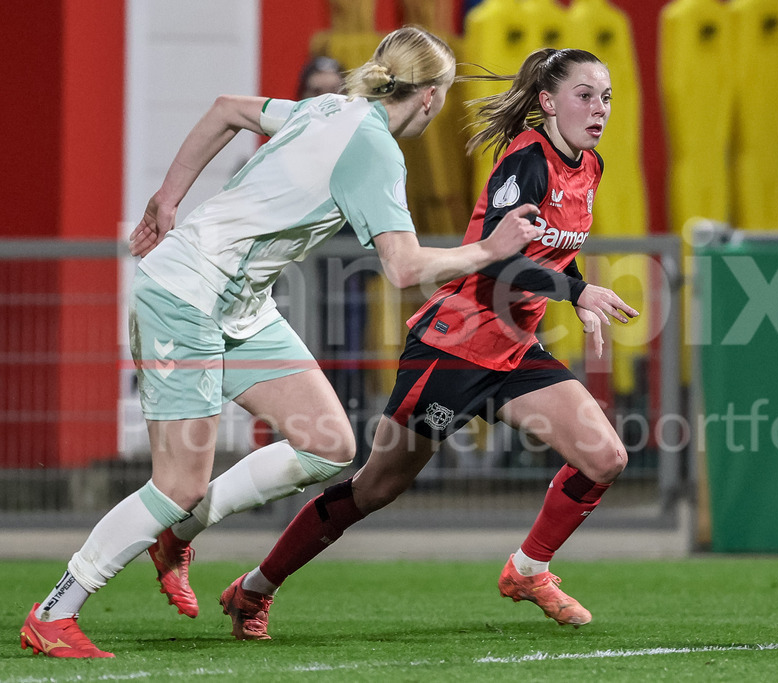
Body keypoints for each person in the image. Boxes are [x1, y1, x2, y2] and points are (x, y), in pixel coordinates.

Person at [19, 26, 542, 659]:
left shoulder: (329, 108)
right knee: (178, 481)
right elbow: (403, 268)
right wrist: (490, 249)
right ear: (430, 98)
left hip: (237, 308)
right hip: (184, 298)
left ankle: (177, 531)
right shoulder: (374, 148)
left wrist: (167, 198)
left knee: (328, 444)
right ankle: (55, 611)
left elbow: (226, 111)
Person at [215, 47, 638, 641]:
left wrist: (569, 292)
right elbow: (501, 259)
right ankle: (255, 588)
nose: (599, 109)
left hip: (515, 347)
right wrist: (578, 291)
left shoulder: (590, 165)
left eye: (607, 96)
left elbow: (548, 251)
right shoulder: (527, 163)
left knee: (605, 457)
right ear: (547, 102)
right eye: (585, 95)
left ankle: (528, 569)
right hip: (454, 347)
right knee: (377, 486)